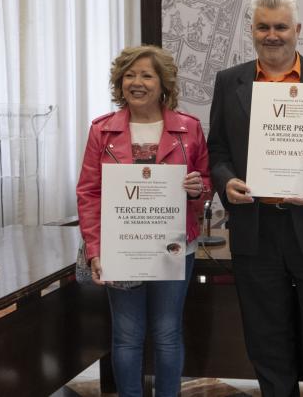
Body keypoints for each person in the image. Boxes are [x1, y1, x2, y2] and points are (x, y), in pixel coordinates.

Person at [206, 0, 303, 397]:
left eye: (281, 27)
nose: (272, 35)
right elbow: (217, 148)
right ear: (251, 31)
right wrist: (226, 181)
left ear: (298, 30)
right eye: (263, 27)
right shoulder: (229, 80)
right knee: (265, 333)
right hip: (255, 228)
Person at [77, 46, 210, 397]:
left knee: (167, 332)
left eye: (146, 75)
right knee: (127, 335)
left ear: (163, 83)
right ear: (119, 84)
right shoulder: (101, 131)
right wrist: (94, 250)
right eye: (129, 75)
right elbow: (89, 193)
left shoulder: (190, 129)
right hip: (120, 249)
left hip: (174, 247)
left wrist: (197, 190)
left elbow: (206, 185)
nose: (137, 82)